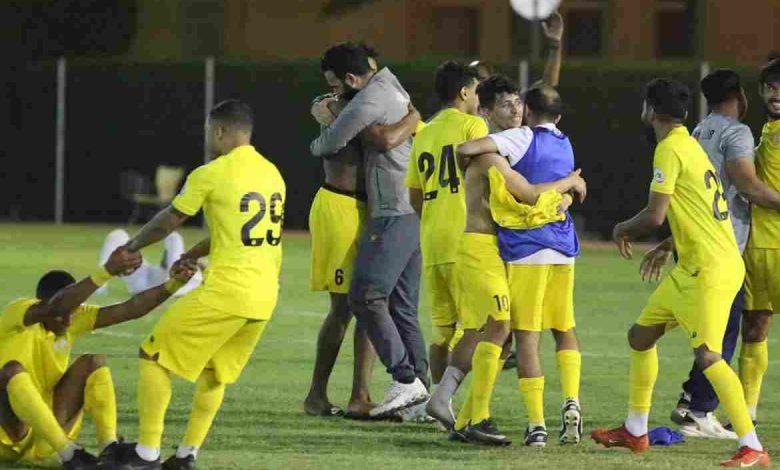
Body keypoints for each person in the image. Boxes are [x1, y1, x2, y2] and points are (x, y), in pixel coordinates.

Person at [592, 78, 769, 467]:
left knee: (708, 355)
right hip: (693, 267)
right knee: (640, 336)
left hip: (711, 269)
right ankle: (635, 430)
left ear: (651, 111)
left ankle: (752, 444)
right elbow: (695, 210)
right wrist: (672, 245)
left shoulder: (670, 148)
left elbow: (655, 215)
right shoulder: (688, 144)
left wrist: (622, 227)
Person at [119, 99, 286, 469]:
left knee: (153, 355)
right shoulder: (272, 173)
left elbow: (168, 221)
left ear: (219, 131)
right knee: (215, 372)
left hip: (228, 291)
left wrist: (131, 246)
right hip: (264, 295)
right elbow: (236, 230)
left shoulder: (212, 172)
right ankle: (186, 455)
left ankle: (146, 454)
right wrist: (194, 253)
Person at [640, 69, 780, 438]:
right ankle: (703, 411)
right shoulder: (737, 132)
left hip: (696, 246)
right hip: (722, 248)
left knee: (656, 335)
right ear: (741, 96)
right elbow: (747, 186)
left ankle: (666, 412)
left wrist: (670, 240)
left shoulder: (697, 132)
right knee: (721, 339)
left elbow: (695, 196)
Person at [452, 86, 583, 447]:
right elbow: (527, 193)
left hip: (510, 248)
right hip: (492, 248)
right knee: (506, 327)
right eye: (505, 104)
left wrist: (566, 195)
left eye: (517, 103)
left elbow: (528, 194)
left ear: (527, 111)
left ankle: (470, 417)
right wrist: (570, 186)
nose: (513, 109)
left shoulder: (511, 145)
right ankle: (473, 416)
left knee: (507, 332)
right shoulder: (502, 150)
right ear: (489, 112)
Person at [310, 43, 429, 418]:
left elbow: (385, 137)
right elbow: (374, 138)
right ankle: (319, 394)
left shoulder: (369, 99)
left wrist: (409, 120)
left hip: (381, 209)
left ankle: (377, 394)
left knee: (381, 304)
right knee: (346, 306)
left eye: (334, 82)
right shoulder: (341, 103)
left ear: (350, 76)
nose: (330, 90)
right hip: (343, 206)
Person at [0, 247, 195, 470]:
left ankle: (108, 450)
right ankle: (70, 454)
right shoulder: (17, 313)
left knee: (92, 362)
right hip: (9, 435)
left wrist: (174, 284)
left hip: (48, 433)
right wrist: (107, 271)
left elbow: (130, 309)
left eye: (73, 311)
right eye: (63, 312)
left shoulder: (73, 317)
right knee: (11, 371)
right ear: (43, 304)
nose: (68, 319)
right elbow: (57, 305)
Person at [405, 61, 487, 410]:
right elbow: (487, 177)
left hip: (433, 239)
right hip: (465, 238)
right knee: (480, 327)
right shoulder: (473, 125)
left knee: (441, 332)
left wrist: (436, 218)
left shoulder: (423, 132)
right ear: (465, 92)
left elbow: (414, 195)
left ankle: (436, 403)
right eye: (477, 90)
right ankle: (448, 401)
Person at [735, 58, 780, 428]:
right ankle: (745, 414)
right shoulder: (766, 129)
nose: (775, 93)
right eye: (770, 86)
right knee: (755, 326)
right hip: (760, 243)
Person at [95, 229, 201, 297]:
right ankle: (98, 285)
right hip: (153, 280)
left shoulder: (200, 279)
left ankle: (176, 287)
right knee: (118, 235)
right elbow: (165, 265)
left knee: (174, 237)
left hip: (168, 285)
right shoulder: (197, 270)